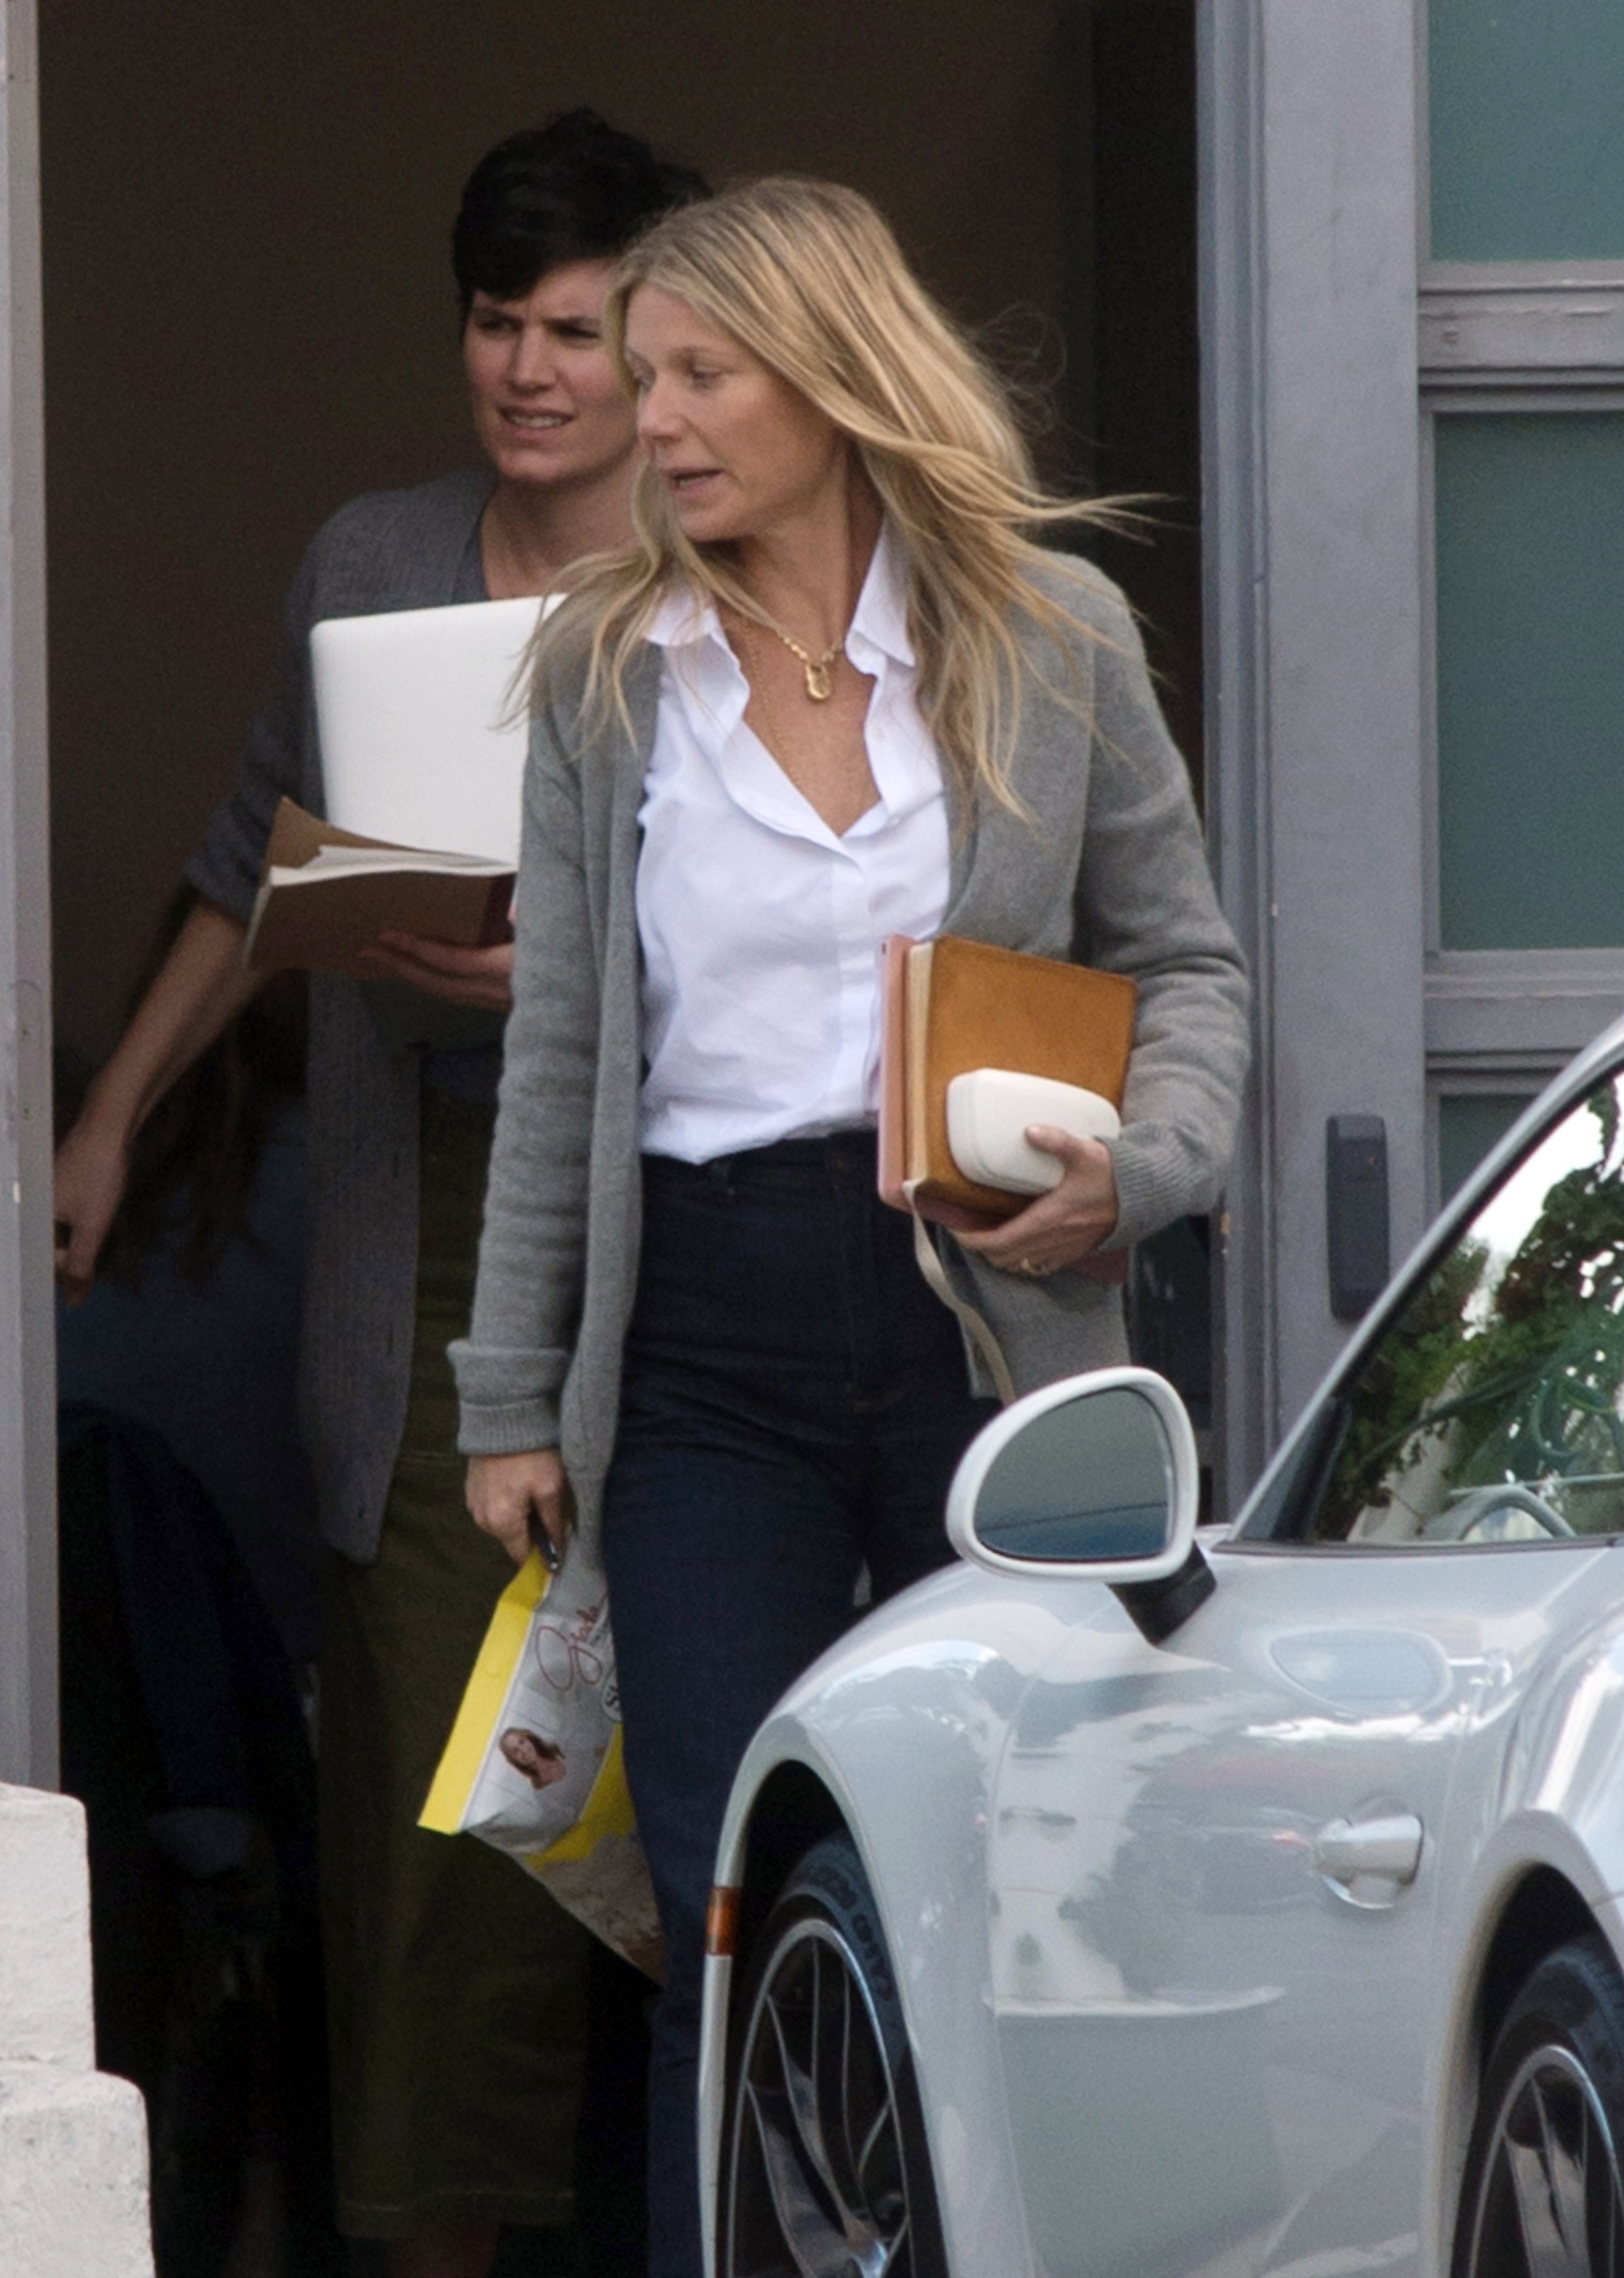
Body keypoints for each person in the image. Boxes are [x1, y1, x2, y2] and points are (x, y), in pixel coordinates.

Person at [453, 176, 1251, 2276]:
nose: (653, 421)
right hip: (698, 1339)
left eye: (696, 375)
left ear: (829, 374)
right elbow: (559, 1051)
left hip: (985, 1321)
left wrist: (1145, 1163)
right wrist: (508, 1391)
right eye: (644, 378)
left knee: (1017, 1877)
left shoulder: (1049, 633)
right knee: (730, 1887)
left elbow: (1186, 964)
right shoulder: (606, 667)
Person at [54, 111, 705, 2278]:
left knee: (698, 1764)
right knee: (442, 1812)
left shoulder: (736, 570)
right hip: (426, 1232)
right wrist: (112, 1121)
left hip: (687, 1234)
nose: (528, 370)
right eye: (495, 323)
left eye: (576, 331)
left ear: (661, 345)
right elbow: (259, 854)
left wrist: (585, 977)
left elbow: (843, 922)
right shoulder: (377, 554)